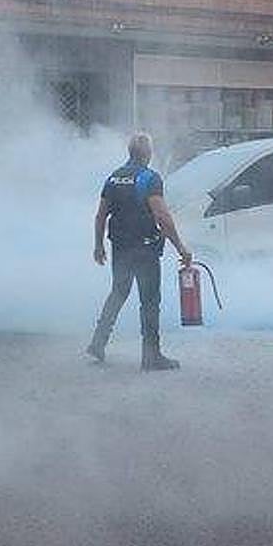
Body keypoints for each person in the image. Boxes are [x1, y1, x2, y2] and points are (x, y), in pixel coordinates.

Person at [87, 132, 192, 371]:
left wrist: (98, 245)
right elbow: (162, 216)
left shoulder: (113, 178)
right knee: (150, 300)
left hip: (120, 247)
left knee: (118, 292)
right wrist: (181, 248)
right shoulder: (149, 178)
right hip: (144, 248)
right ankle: (151, 356)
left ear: (129, 152)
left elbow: (101, 215)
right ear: (148, 154)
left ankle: (98, 341)